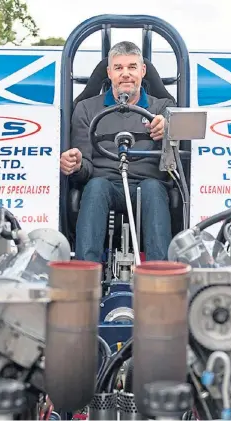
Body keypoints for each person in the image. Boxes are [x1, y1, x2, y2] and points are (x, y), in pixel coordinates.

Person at [60, 41, 175, 263]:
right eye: (119, 68)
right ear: (109, 72)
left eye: (132, 67)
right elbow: (85, 168)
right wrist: (75, 164)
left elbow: (175, 156)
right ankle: (85, 275)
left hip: (148, 183)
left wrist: (168, 127)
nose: (126, 74)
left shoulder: (162, 107)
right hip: (105, 182)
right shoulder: (86, 108)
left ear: (142, 71)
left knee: (153, 189)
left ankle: (160, 279)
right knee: (95, 187)